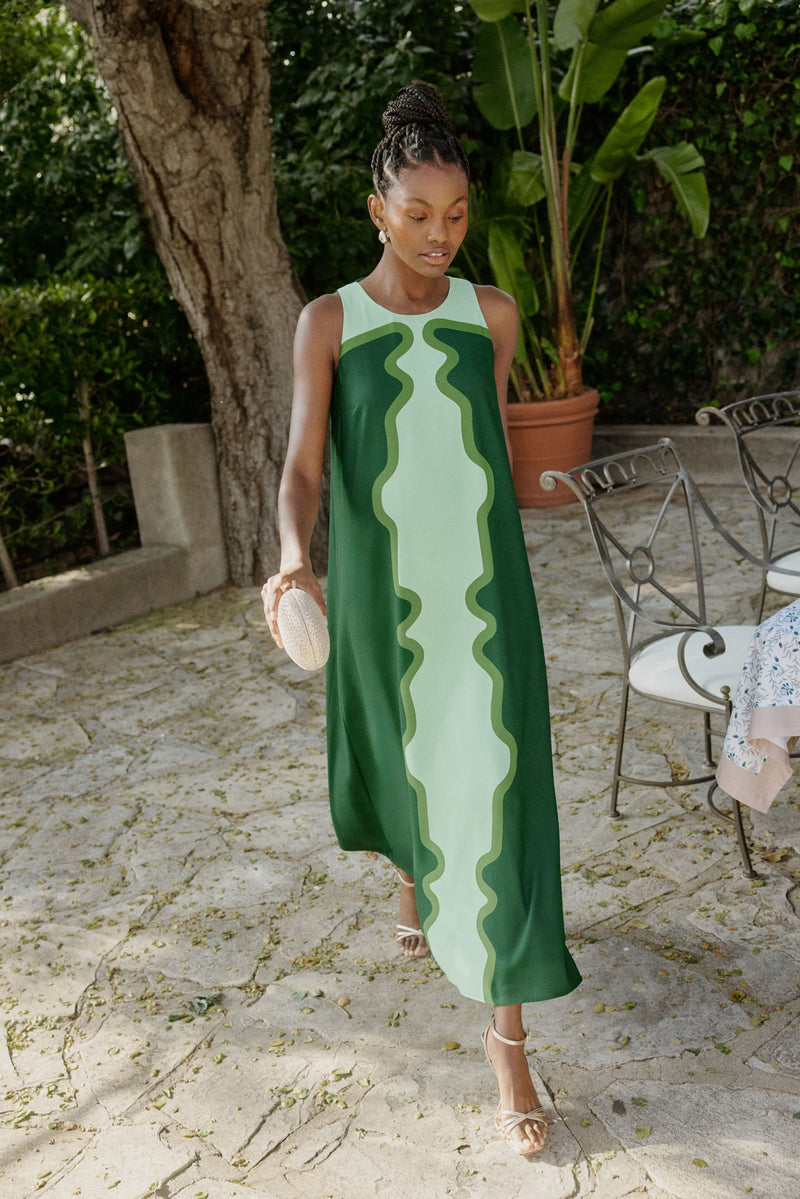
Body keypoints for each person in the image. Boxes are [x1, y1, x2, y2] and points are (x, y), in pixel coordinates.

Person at [263, 81, 581, 1157]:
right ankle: (411, 871)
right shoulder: (329, 322)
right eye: (417, 215)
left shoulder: (490, 314)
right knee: (407, 764)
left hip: (487, 597)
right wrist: (294, 558)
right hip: (380, 597)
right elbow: (303, 467)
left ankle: (508, 1045)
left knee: (501, 794)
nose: (440, 235)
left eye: (456, 215)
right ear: (377, 212)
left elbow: (482, 441)